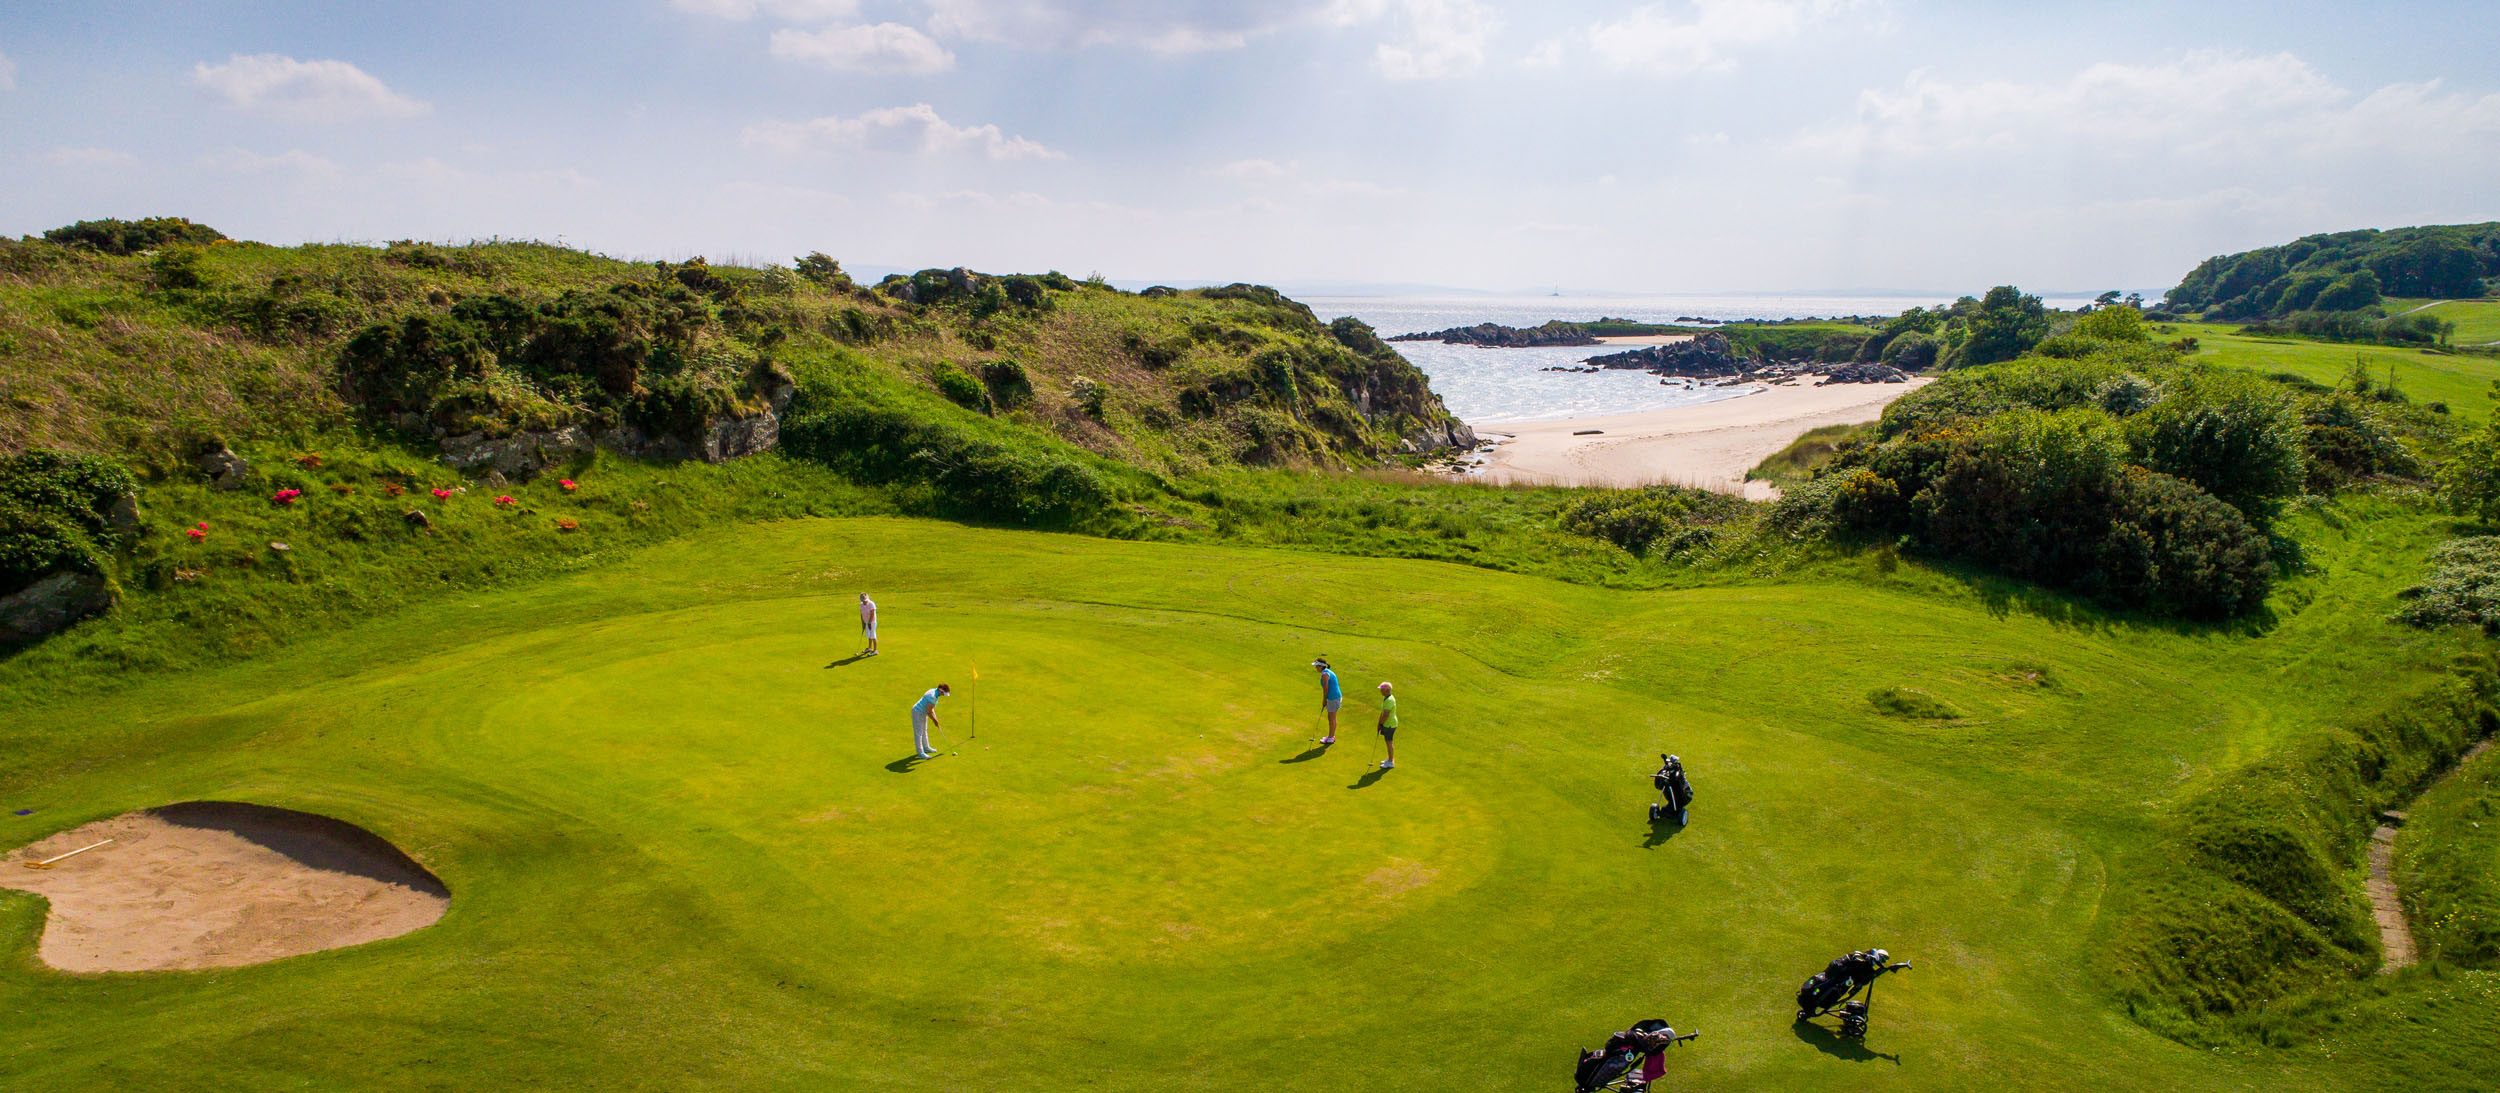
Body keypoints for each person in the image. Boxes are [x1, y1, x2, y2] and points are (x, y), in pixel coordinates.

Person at [911, 683, 950, 759]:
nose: (943, 695)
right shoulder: (932, 696)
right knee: (919, 733)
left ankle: (926, 747)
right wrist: (934, 720)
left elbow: (931, 709)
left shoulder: (935, 693)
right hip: (917, 712)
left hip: (923, 712)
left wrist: (936, 719)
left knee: (924, 730)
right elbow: (929, 711)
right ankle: (920, 753)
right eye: (943, 693)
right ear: (940, 690)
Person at [1313, 658, 1342, 745]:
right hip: (1334, 697)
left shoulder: (1325, 674)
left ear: (1320, 666)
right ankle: (1330, 736)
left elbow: (1326, 689)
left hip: (1333, 698)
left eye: (1316, 666)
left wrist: (1324, 700)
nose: (1315, 668)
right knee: (1331, 717)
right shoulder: (1326, 671)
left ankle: (1331, 738)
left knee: (1332, 718)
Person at [1376, 681, 1399, 770]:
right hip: (1388, 723)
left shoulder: (1389, 700)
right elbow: (1382, 713)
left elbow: (1386, 715)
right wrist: (1379, 723)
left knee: (1389, 742)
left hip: (1390, 724)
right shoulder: (1386, 698)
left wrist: (1381, 723)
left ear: (1387, 690)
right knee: (1388, 741)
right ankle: (1389, 759)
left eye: (1382, 689)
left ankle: (1390, 762)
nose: (1380, 691)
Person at [858, 592, 879, 656]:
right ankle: (870, 648)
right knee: (869, 635)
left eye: (865, 600)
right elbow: (862, 614)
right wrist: (863, 623)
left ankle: (875, 650)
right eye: (863, 601)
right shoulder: (861, 604)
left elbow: (872, 614)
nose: (864, 602)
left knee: (873, 636)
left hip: (872, 622)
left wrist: (869, 623)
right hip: (866, 622)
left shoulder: (871, 604)